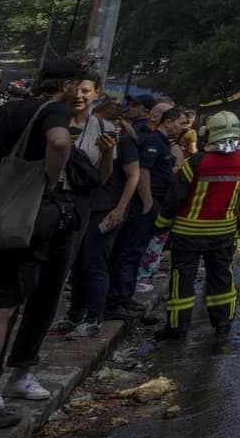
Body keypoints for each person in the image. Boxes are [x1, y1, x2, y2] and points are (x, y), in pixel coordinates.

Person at [0, 58, 82, 427]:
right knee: (0, 309)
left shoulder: (8, 109)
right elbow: (57, 141)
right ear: (67, 85)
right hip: (23, 223)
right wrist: (49, 176)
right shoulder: (53, 110)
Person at [6, 70, 107, 372]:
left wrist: (108, 155)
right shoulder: (43, 118)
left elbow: (100, 179)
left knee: (49, 288)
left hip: (73, 210)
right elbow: (59, 143)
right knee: (12, 290)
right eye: (75, 89)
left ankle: (22, 363)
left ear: (96, 93)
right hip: (32, 204)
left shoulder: (102, 128)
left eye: (85, 90)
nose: (78, 95)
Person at [155, 110, 240, 342]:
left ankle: (177, 329)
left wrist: (161, 226)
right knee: (222, 278)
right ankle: (223, 325)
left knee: (182, 280)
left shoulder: (196, 162)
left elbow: (175, 198)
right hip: (223, 233)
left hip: (187, 233)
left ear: (210, 134)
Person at [63, 98, 141, 337]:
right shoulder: (92, 140)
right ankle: (75, 315)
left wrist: (120, 209)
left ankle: (94, 317)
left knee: (96, 264)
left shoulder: (124, 142)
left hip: (107, 209)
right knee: (78, 264)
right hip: (86, 207)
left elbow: (133, 176)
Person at [107, 105, 185, 320]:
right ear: (167, 122)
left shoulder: (162, 143)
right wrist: (148, 202)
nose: (182, 127)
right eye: (180, 122)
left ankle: (124, 297)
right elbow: (143, 171)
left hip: (154, 202)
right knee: (130, 252)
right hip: (146, 205)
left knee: (137, 252)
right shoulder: (153, 142)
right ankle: (116, 301)